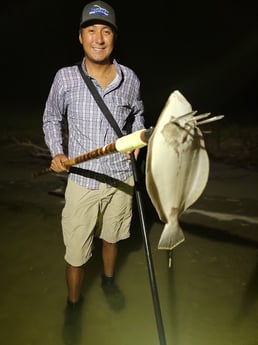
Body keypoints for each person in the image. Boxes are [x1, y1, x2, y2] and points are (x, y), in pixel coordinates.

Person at [42, 0, 145, 309]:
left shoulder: (130, 80)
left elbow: (138, 116)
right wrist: (57, 152)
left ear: (114, 37)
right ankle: (73, 305)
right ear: (80, 36)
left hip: (120, 178)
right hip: (82, 181)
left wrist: (137, 140)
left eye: (105, 32)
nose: (98, 39)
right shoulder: (65, 78)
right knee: (76, 252)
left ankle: (109, 281)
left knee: (112, 237)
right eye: (91, 31)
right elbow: (51, 117)